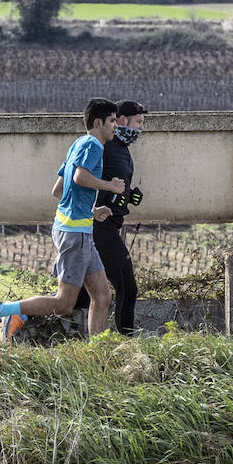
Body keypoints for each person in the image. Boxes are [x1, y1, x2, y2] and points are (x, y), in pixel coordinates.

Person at [0, 98, 125, 342]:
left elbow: (58, 189)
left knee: (102, 297)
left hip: (79, 230)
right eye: (111, 121)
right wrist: (112, 186)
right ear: (98, 123)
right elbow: (79, 177)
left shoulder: (78, 144)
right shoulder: (94, 146)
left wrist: (92, 210)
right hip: (75, 234)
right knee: (64, 302)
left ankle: (98, 350)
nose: (115, 126)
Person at [83, 99, 147, 334]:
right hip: (101, 226)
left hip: (106, 225)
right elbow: (85, 179)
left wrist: (128, 195)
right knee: (127, 287)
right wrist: (105, 200)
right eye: (138, 122)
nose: (141, 128)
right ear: (122, 121)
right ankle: (128, 342)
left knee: (74, 298)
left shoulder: (121, 149)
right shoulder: (105, 146)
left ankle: (7, 311)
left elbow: (114, 182)